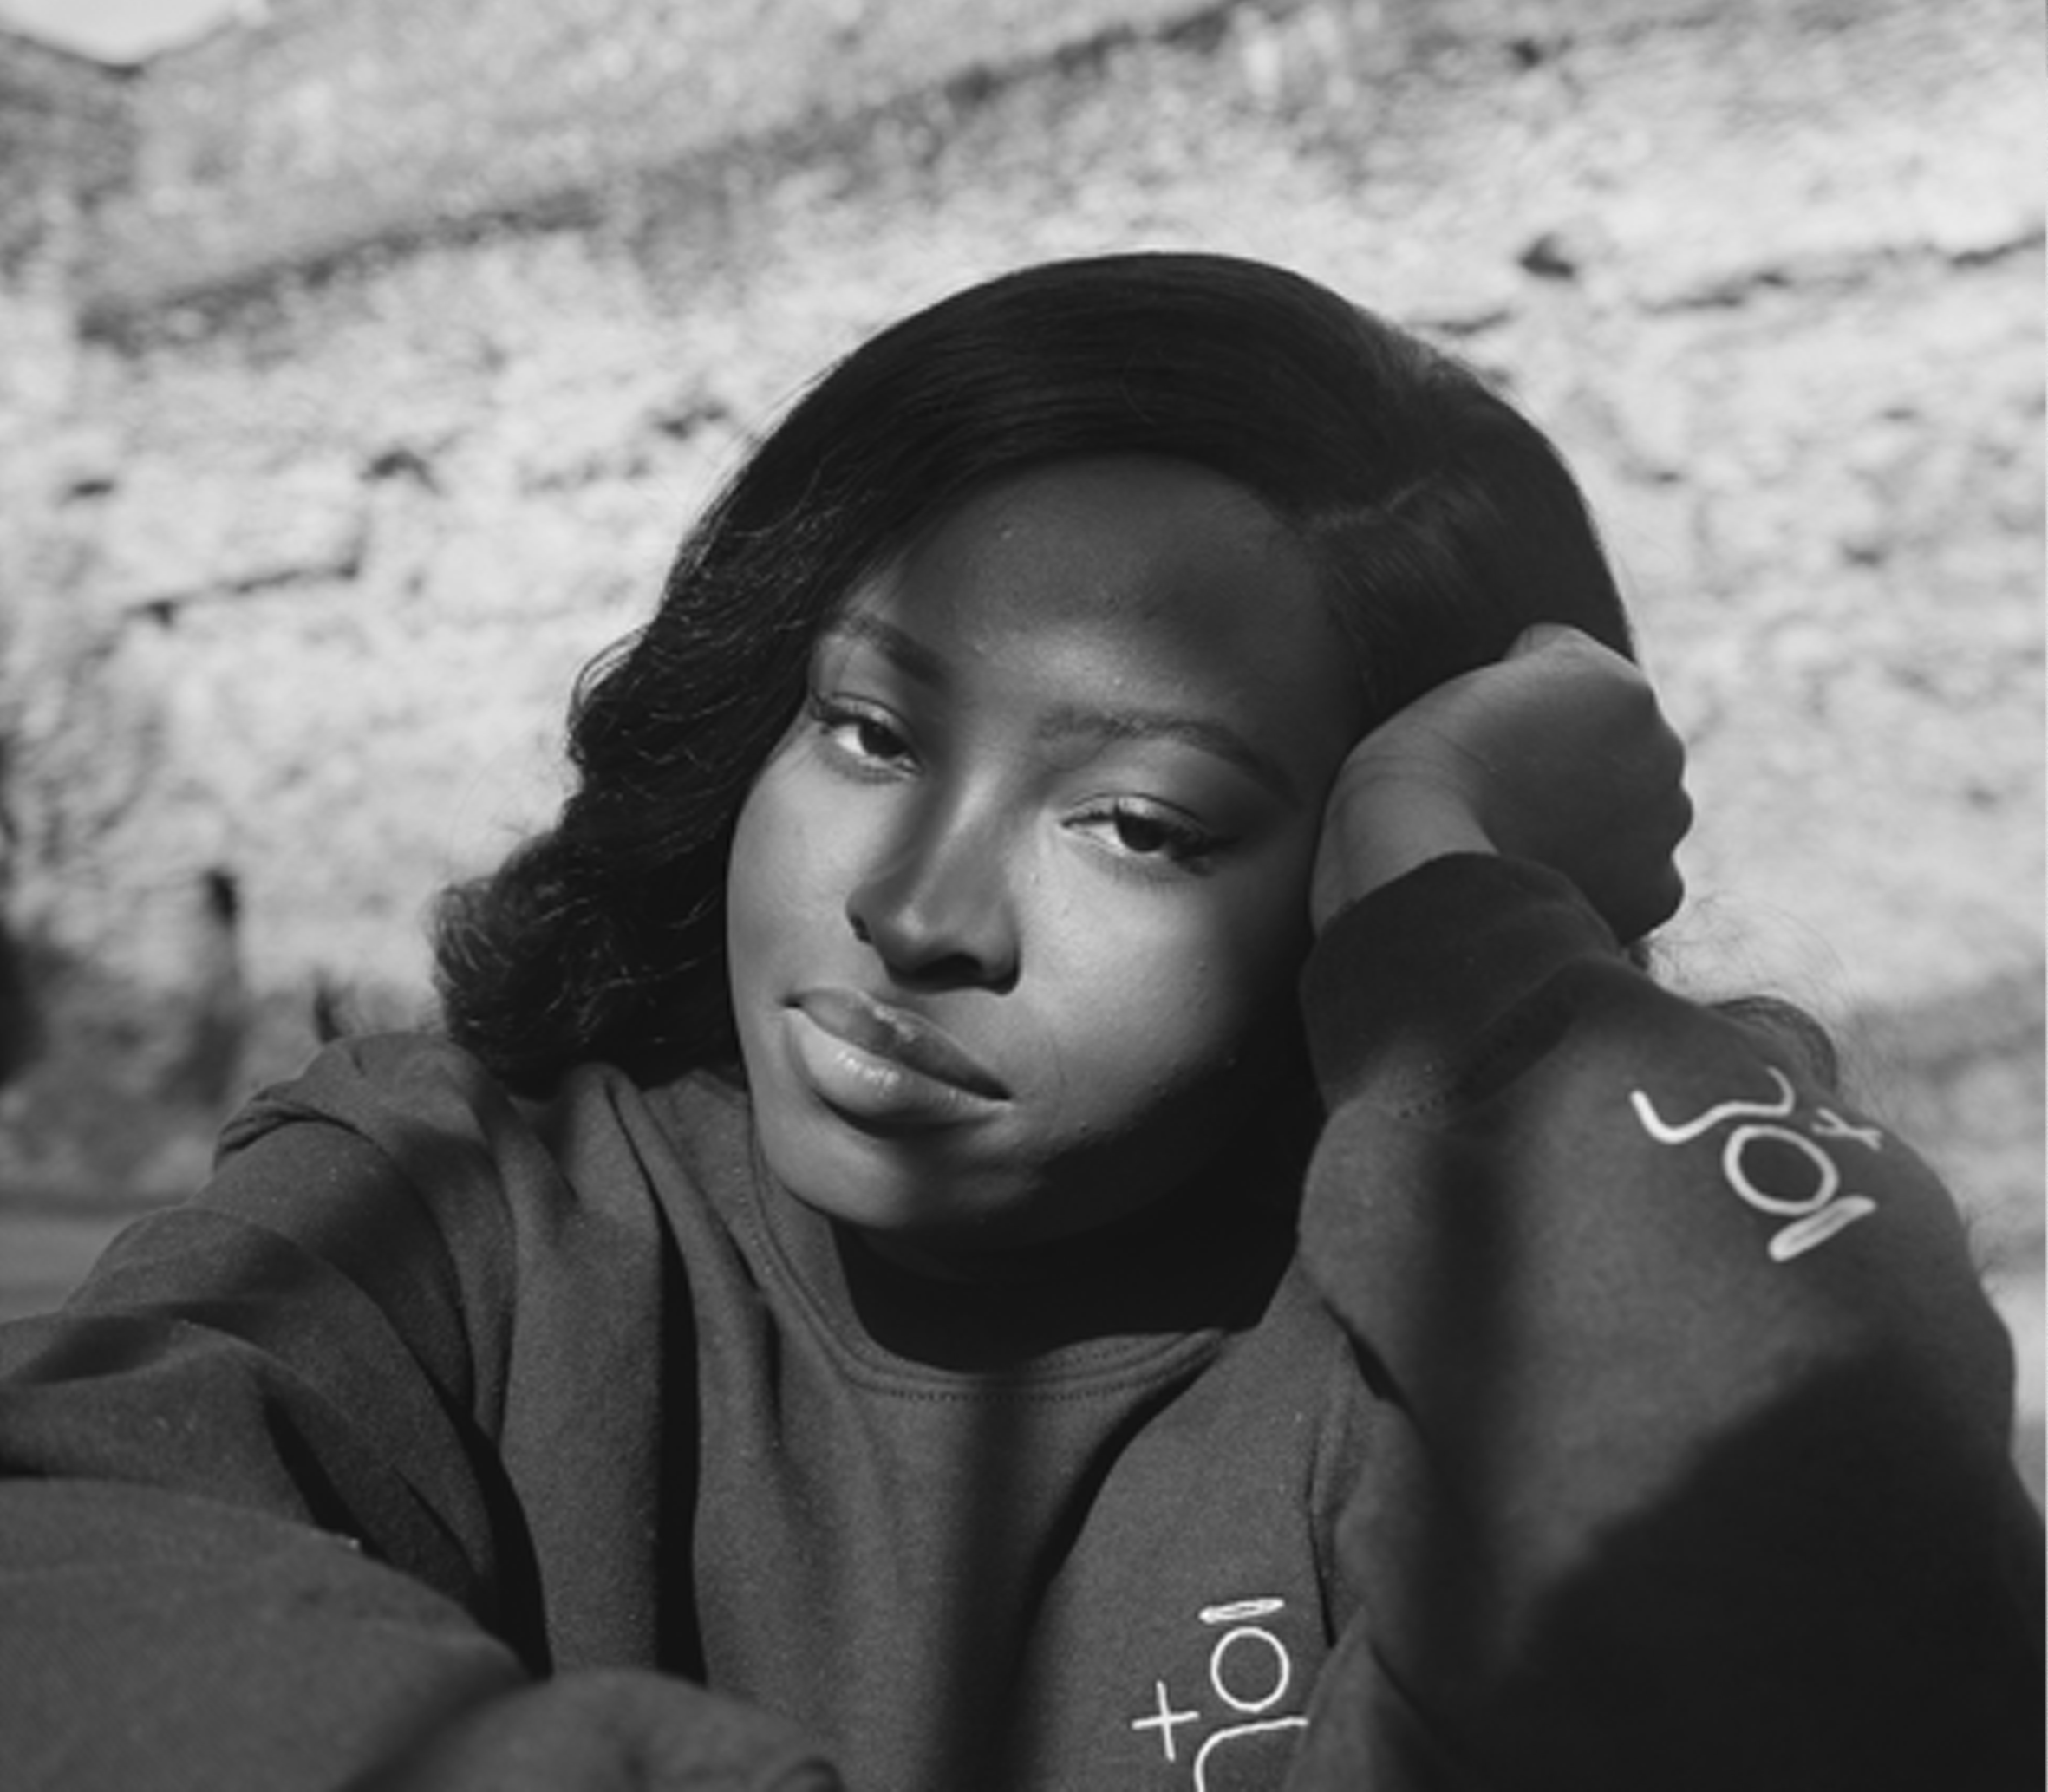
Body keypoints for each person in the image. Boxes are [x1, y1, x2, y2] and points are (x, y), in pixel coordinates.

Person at [0, 253, 2037, 1790]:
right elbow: (63, 1560)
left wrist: (1479, 955)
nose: (913, 904)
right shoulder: (456, 1202)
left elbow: (1846, 1619)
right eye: (867, 727)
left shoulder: (1417, 1359)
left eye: (1137, 822)